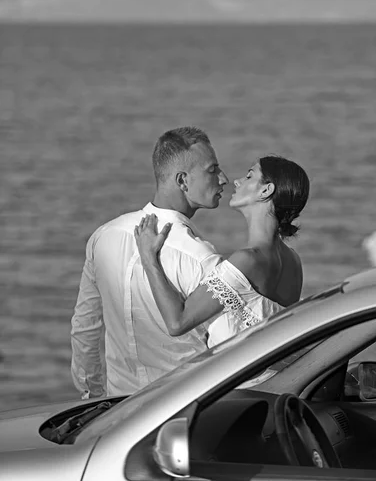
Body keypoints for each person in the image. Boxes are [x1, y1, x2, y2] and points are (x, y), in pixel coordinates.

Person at [70, 126, 228, 398]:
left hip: (119, 411)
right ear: (182, 181)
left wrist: (92, 398)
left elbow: (85, 329)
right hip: (184, 410)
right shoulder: (200, 257)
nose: (224, 179)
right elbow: (231, 348)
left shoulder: (104, 236)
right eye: (213, 170)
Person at [135, 155, 310, 347]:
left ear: (266, 190)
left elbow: (177, 323)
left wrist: (149, 258)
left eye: (249, 176)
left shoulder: (247, 260)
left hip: (246, 376)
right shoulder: (293, 261)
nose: (237, 181)